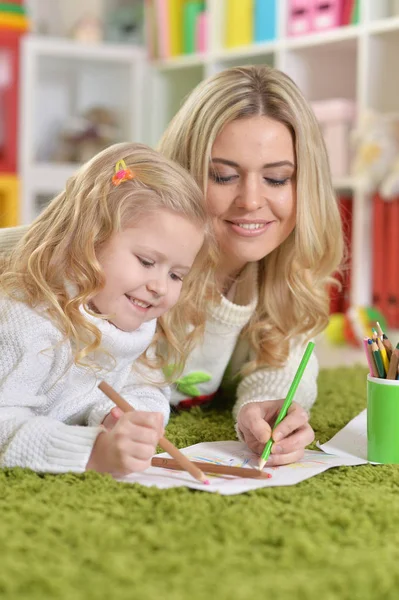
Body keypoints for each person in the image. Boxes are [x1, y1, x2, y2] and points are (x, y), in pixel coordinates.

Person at [158, 65, 344, 465]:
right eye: (223, 176)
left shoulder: (283, 268)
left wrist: (263, 405)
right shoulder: (142, 262)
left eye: (277, 179)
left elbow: (281, 357)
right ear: (184, 174)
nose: (251, 200)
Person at [0, 142, 215, 477]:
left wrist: (122, 418)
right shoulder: (27, 317)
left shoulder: (134, 315)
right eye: (146, 261)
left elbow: (145, 386)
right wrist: (89, 453)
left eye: (176, 275)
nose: (160, 286)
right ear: (88, 239)